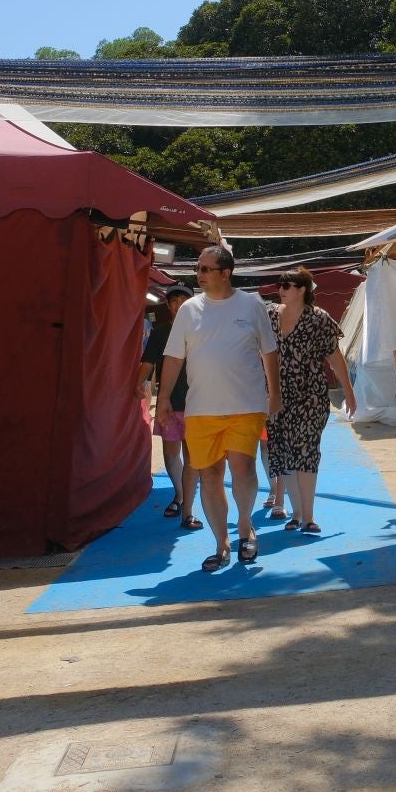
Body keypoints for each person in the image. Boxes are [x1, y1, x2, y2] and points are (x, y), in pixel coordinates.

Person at [161, 244, 281, 571]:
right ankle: (221, 543)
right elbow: (173, 357)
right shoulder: (188, 310)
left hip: (246, 403)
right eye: (198, 268)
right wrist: (164, 399)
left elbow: (269, 352)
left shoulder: (252, 306)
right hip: (201, 408)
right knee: (210, 475)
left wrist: (275, 394)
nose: (198, 274)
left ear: (225, 273)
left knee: (242, 466)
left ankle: (245, 526)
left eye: (205, 269)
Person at [267, 267, 356, 536]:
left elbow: (335, 357)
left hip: (310, 396)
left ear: (302, 289)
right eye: (280, 283)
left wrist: (349, 393)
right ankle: (295, 513)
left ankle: (308, 516)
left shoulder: (319, 319)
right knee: (286, 454)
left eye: (287, 284)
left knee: (306, 452)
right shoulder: (269, 315)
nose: (281, 288)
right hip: (277, 396)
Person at [141, 284, 202, 531]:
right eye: (174, 300)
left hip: (197, 403)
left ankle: (187, 504)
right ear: (168, 305)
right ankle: (179, 494)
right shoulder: (160, 331)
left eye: (183, 299)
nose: (178, 304)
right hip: (169, 403)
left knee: (192, 456)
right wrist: (136, 385)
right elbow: (147, 362)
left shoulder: (202, 331)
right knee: (170, 453)